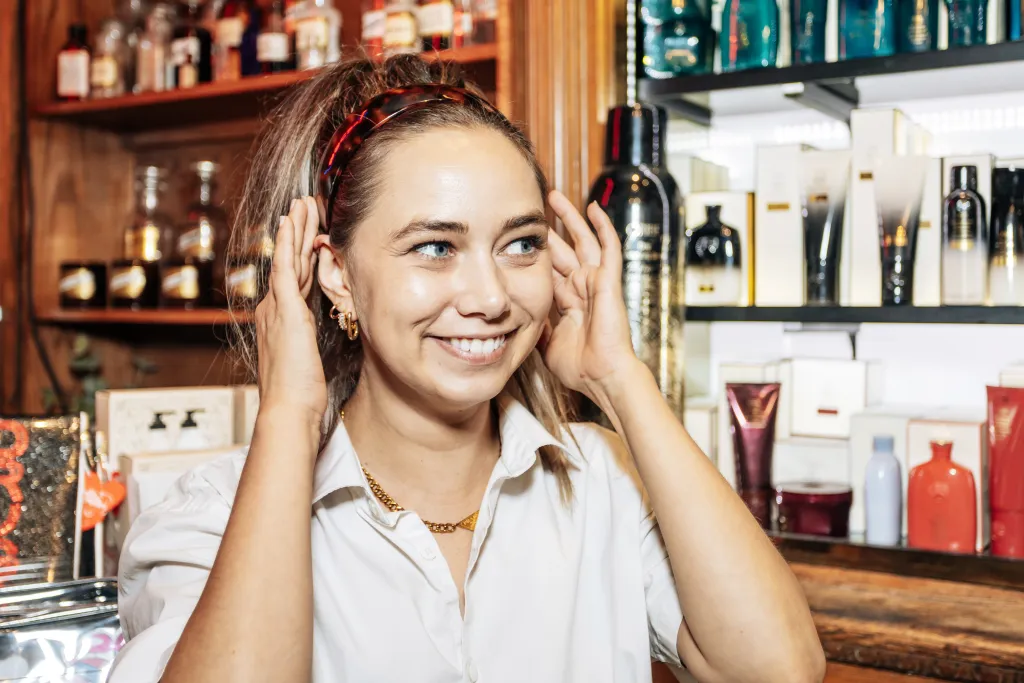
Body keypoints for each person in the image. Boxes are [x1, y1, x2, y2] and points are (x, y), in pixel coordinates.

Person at [109, 55, 825, 683]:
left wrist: (620, 379)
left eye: (519, 244)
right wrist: (290, 418)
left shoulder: (603, 480)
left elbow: (778, 668)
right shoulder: (210, 517)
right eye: (435, 247)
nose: (490, 297)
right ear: (335, 276)